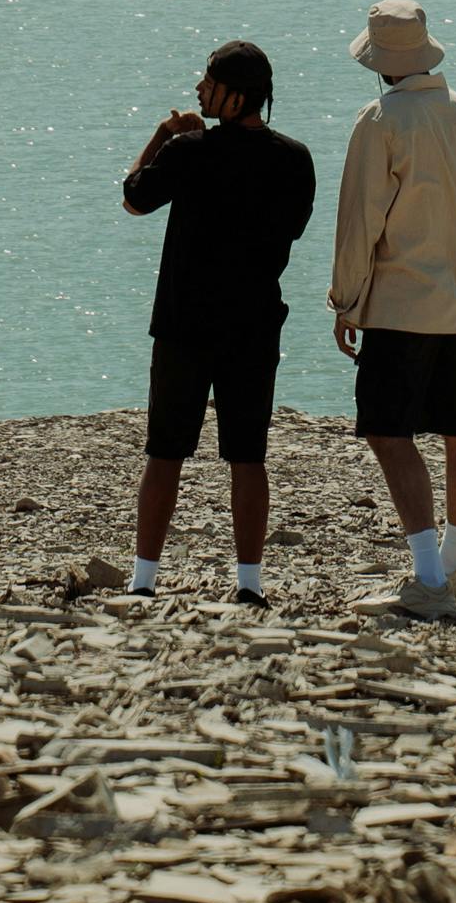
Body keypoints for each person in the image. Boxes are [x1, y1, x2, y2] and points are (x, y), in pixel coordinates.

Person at [120, 38, 318, 602]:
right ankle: (250, 583)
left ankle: (143, 580)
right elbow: (293, 229)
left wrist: (165, 136)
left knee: (164, 452)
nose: (199, 89)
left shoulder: (189, 151)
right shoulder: (294, 158)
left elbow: (134, 198)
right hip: (254, 325)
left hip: (185, 324)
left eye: (207, 81)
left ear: (232, 95)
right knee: (248, 454)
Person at [328, 0, 456, 616]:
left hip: (399, 302)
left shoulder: (381, 120)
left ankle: (429, 581)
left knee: (389, 433)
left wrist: (346, 300)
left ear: (378, 62)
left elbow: (360, 219)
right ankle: (454, 565)